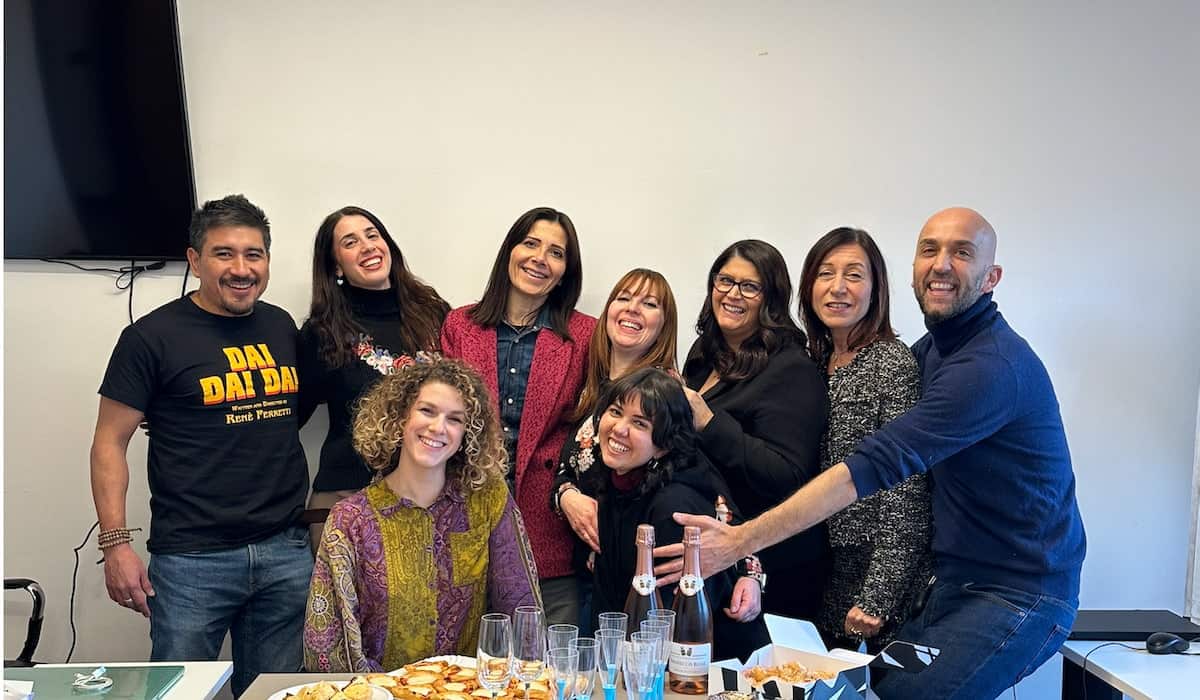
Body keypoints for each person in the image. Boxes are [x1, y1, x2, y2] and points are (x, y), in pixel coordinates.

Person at [661, 208, 1087, 699]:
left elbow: (877, 472)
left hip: (1016, 591)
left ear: (991, 277)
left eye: (962, 253)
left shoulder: (987, 366)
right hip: (948, 580)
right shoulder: (929, 350)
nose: (941, 264)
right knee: (870, 687)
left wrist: (739, 543)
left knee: (903, 695)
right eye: (929, 250)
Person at [89, 195, 312, 697]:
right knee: (178, 693)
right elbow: (109, 442)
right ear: (194, 260)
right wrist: (115, 543)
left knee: (274, 695)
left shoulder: (281, 326)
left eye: (254, 254)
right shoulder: (150, 337)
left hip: (285, 552)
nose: (241, 269)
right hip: (192, 561)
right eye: (223, 253)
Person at [303, 358, 540, 672]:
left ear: (467, 434)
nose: (438, 427)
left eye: (455, 419)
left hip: (470, 690)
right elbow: (329, 646)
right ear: (401, 417)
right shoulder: (351, 520)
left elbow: (521, 610)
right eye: (427, 411)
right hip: (378, 692)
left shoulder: (488, 501)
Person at [440, 206, 596, 627]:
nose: (540, 258)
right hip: (468, 518)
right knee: (471, 660)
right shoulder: (460, 325)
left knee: (549, 658)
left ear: (565, 272)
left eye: (556, 253)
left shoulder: (585, 335)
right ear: (509, 251)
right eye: (530, 243)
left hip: (550, 526)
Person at [562, 367, 769, 660]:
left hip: (711, 667)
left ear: (664, 445)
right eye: (615, 412)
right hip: (639, 659)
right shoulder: (615, 481)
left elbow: (676, 624)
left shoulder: (673, 508)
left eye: (640, 423)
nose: (619, 429)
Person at [797, 227, 931, 653]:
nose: (838, 287)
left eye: (853, 275)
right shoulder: (812, 361)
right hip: (824, 569)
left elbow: (906, 487)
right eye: (825, 274)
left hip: (875, 572)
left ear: (876, 289)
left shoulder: (892, 362)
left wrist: (879, 596)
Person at [681, 239, 829, 621]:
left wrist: (709, 423)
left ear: (771, 299)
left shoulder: (792, 369)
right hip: (711, 556)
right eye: (725, 280)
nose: (733, 294)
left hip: (771, 571)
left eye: (749, 286)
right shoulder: (703, 354)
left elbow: (788, 477)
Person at [298, 205, 450, 548]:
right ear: (336, 265)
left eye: (372, 235)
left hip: (427, 499)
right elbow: (289, 417)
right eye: (350, 242)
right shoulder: (322, 332)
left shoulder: (434, 313)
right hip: (346, 499)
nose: (367, 246)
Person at [551, 268, 678, 628]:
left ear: (664, 325)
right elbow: (566, 466)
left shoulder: (664, 393)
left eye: (649, 304)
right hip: (587, 574)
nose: (632, 308)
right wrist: (566, 497)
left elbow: (694, 480)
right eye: (624, 298)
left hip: (633, 584)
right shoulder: (594, 387)